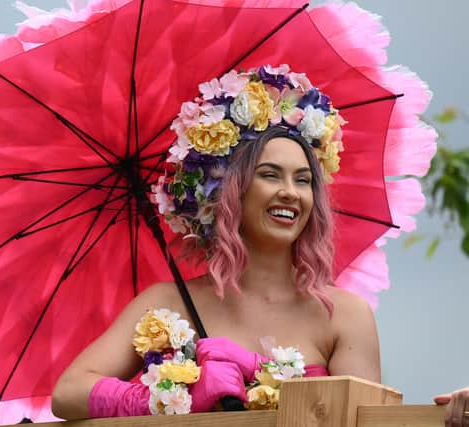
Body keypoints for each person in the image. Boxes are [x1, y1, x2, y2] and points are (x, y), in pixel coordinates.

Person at [51, 66, 380, 419]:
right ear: (228, 191)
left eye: (302, 181)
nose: (290, 192)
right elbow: (68, 393)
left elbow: (368, 422)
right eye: (269, 175)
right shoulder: (167, 304)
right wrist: (174, 396)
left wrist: (255, 371)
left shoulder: (344, 316)